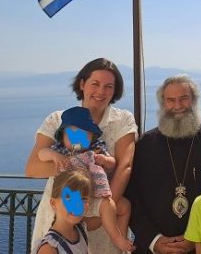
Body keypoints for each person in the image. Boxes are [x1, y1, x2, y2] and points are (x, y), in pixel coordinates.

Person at [26, 58, 138, 254]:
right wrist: (78, 165)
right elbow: (33, 168)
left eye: (108, 86)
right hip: (62, 213)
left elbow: (124, 167)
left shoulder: (122, 120)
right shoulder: (58, 120)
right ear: (82, 84)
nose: (101, 91)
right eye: (95, 84)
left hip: (105, 217)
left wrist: (100, 213)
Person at [126, 74, 201, 254]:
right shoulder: (145, 145)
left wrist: (195, 237)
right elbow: (132, 196)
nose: (177, 106)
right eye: (170, 100)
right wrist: (154, 240)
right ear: (163, 104)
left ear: (194, 100)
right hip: (153, 249)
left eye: (184, 98)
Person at [38, 106, 134, 252]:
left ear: (92, 137)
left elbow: (113, 163)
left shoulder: (96, 148)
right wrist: (54, 156)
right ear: (63, 136)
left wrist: (104, 160)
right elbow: (42, 153)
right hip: (74, 196)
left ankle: (117, 237)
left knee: (122, 206)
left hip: (96, 194)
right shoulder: (61, 150)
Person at [32, 170, 91, 254]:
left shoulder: (80, 229)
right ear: (53, 203)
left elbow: (103, 219)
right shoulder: (50, 248)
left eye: (83, 199)